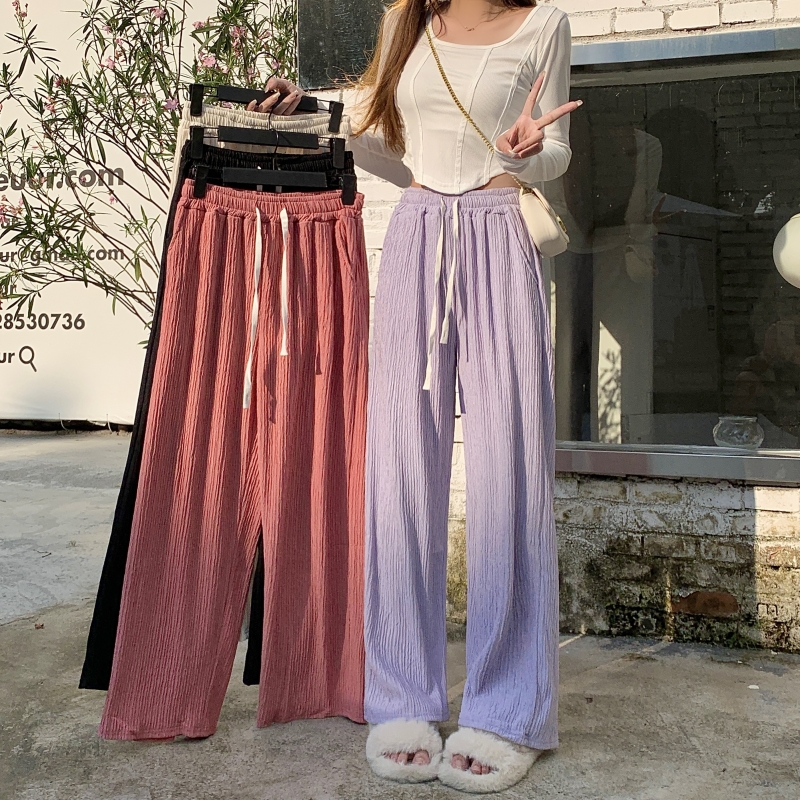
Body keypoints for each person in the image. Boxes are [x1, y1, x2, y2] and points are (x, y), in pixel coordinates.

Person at [248, 0, 579, 792]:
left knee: (507, 478)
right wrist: (315, 115)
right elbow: (395, 153)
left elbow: (559, 148)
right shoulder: (407, 22)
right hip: (418, 234)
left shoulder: (544, 24)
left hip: (500, 232)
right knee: (399, 473)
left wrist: (530, 151)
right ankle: (401, 696)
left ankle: (509, 710)